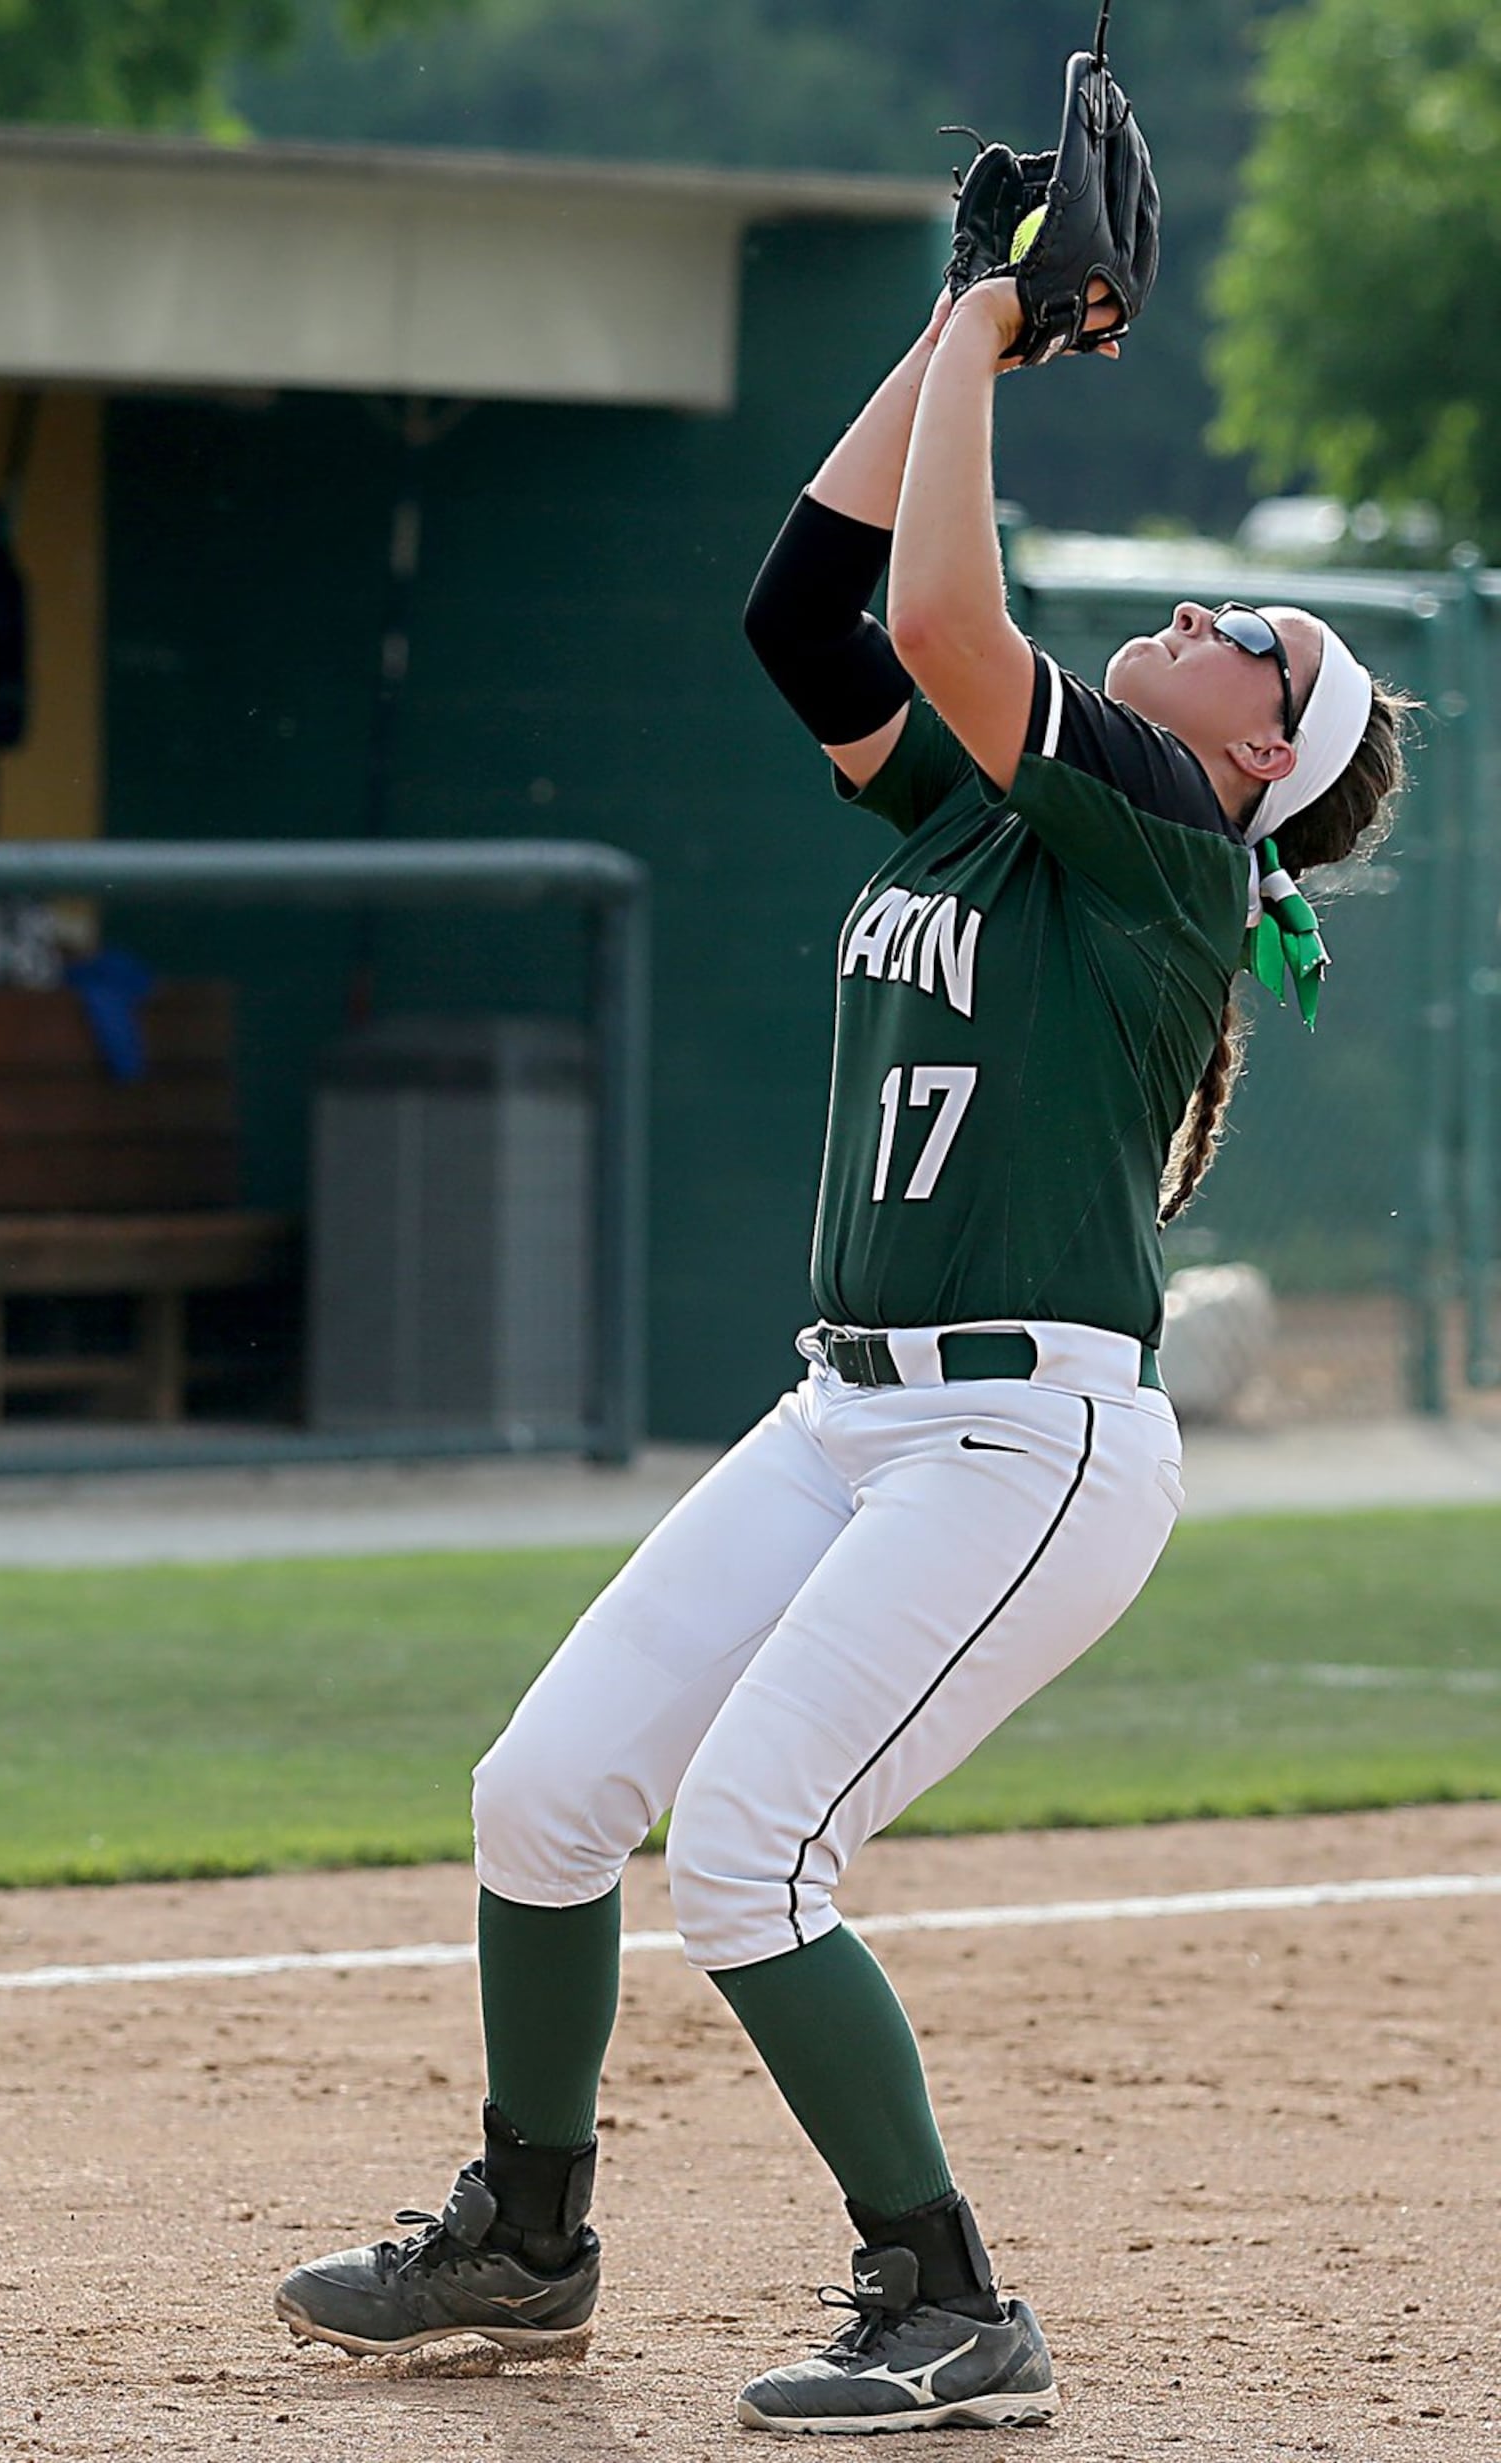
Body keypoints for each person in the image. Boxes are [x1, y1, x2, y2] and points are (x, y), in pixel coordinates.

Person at [274, 273, 1411, 2435]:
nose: (1195, 610)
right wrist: (940, 320)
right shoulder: (995, 812)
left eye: (1246, 640)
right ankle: (526, 2234)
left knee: (744, 1849)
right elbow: (814, 606)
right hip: (850, 1407)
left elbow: (959, 623)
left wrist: (995, 343)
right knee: (541, 1794)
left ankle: (948, 2292)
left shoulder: (1163, 841)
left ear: (1257, 754)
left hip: (1026, 1438)